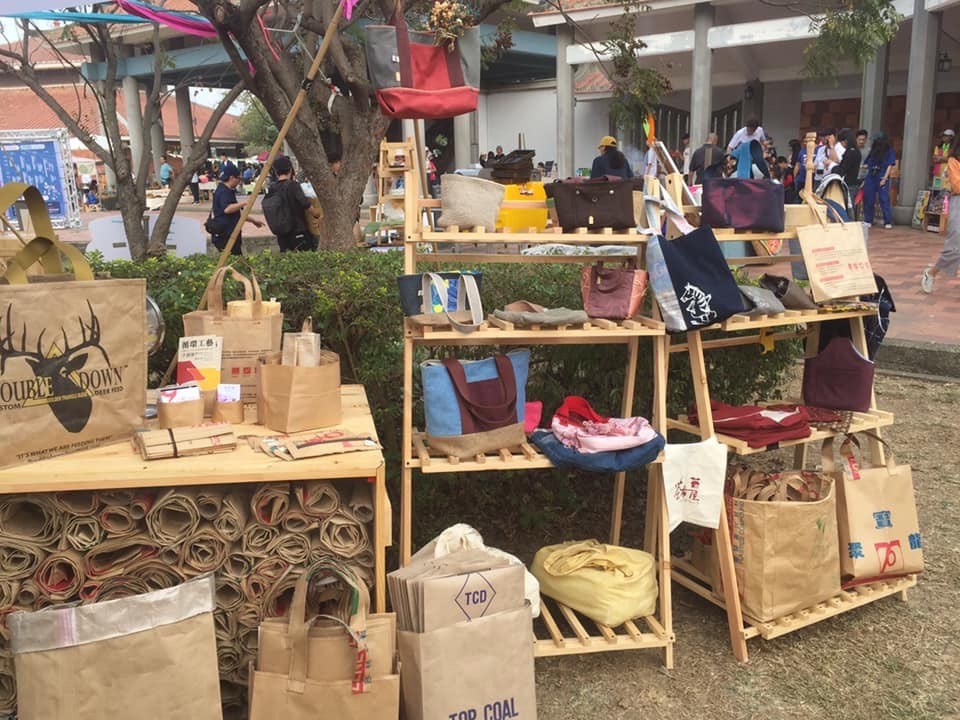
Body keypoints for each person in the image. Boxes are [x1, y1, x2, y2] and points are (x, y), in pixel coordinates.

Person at [922, 138, 960, 293]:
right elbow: (957, 185)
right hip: (958, 202)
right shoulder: (953, 161)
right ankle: (931, 273)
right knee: (955, 245)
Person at [262, 155, 318, 252]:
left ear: (276, 172)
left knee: (287, 257)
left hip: (282, 234)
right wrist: (318, 215)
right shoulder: (293, 185)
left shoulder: (272, 188)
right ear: (290, 170)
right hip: (298, 230)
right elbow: (306, 204)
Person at [210, 166, 264, 255]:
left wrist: (254, 221)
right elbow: (228, 209)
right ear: (231, 178)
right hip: (226, 234)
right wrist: (245, 203)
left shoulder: (224, 190)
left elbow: (238, 213)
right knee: (233, 258)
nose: (239, 181)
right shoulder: (224, 192)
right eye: (238, 178)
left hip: (228, 233)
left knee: (236, 257)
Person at [862, 133, 897, 229]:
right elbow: (866, 163)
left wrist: (885, 178)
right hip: (871, 175)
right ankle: (868, 220)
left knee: (884, 199)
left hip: (882, 175)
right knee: (869, 198)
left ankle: (887, 221)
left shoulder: (889, 151)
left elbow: (890, 165)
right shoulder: (873, 150)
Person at [833, 129, 862, 202]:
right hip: (853, 183)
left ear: (845, 141)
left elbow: (843, 169)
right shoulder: (856, 151)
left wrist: (832, 166)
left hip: (849, 184)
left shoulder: (850, 152)